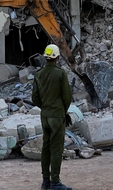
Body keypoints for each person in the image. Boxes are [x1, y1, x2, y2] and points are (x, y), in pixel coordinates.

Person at [32, 44, 73, 190]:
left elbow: (35, 98)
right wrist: (63, 111)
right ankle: (55, 181)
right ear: (56, 57)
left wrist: (45, 108)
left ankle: (45, 181)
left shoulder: (38, 74)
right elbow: (67, 96)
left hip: (45, 116)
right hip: (57, 116)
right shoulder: (60, 73)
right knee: (56, 148)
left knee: (46, 148)